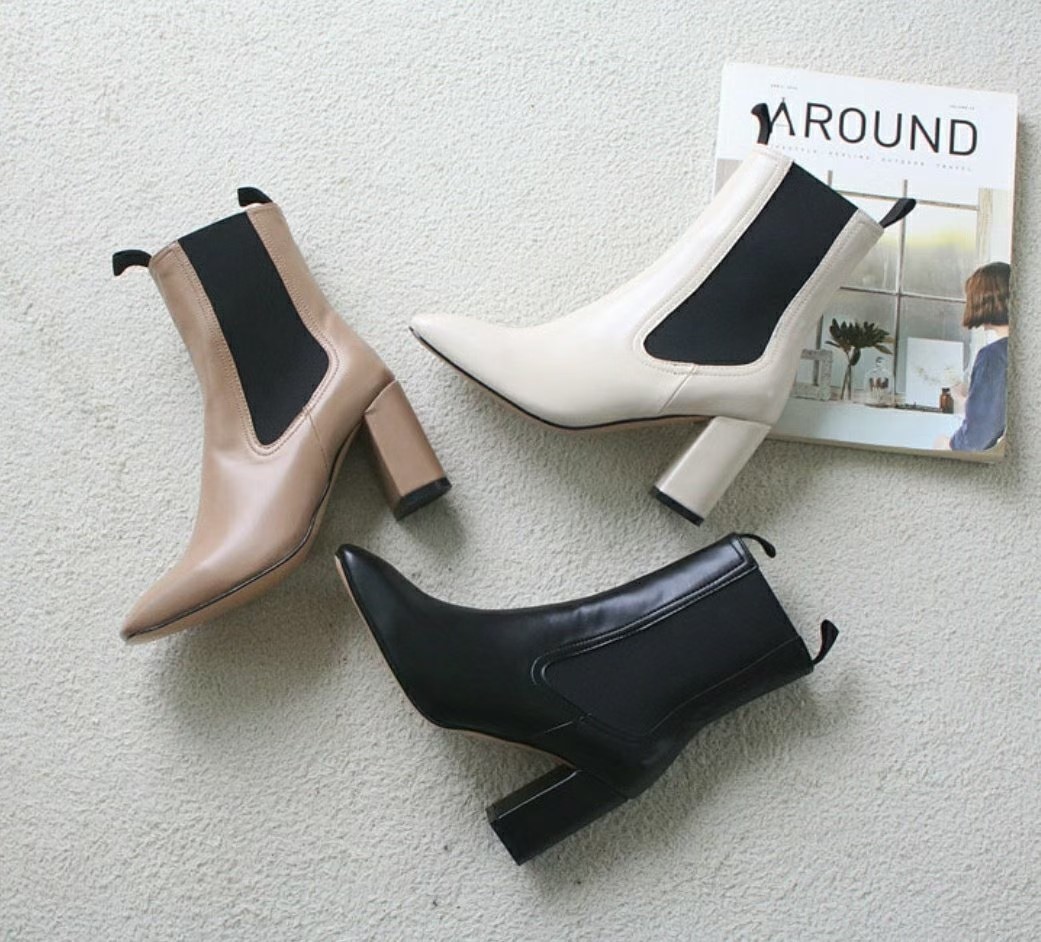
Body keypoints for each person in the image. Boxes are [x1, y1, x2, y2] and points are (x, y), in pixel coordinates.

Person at [935, 262, 1010, 452]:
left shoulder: (993, 357)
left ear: (984, 301)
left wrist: (947, 445)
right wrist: (969, 401)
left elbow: (977, 438)